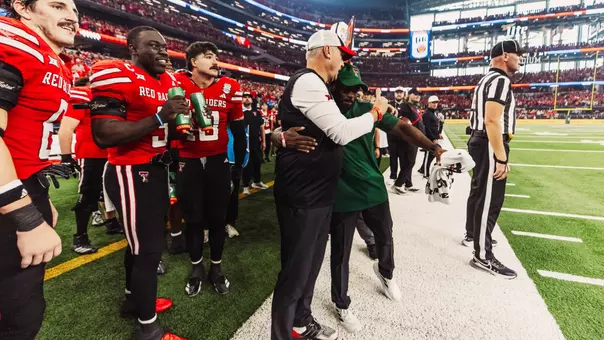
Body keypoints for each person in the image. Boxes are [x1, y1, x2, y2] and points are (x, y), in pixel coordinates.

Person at [274, 64, 444, 333]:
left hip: (372, 186)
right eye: (345, 88)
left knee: (386, 236)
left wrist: (433, 146)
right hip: (339, 194)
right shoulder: (321, 111)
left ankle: (386, 272)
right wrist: (278, 136)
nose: (351, 94)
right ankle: (341, 304)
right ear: (333, 87)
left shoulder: (365, 111)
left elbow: (400, 128)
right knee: (339, 253)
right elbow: (283, 127)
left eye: (356, 89)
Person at [271, 29, 389, 340]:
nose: (342, 64)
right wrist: (376, 113)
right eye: (341, 55)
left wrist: (278, 135)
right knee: (295, 274)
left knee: (308, 268)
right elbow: (340, 132)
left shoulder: (317, 84)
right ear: (326, 51)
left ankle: (300, 321)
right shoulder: (309, 81)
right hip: (303, 193)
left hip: (319, 193)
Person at [90, 26, 187, 340]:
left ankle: (135, 300)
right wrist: (160, 117)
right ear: (132, 47)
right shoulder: (116, 74)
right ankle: (148, 330)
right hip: (130, 171)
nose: (162, 51)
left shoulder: (168, 81)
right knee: (148, 251)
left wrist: (176, 128)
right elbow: (104, 134)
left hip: (155, 170)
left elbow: (165, 128)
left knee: (141, 246)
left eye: (164, 47)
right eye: (153, 46)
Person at [0, 1, 78, 338]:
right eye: (58, 5)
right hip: (8, 198)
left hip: (22, 183)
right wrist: (25, 215)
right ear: (23, 8)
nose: (72, 16)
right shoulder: (13, 41)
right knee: (21, 316)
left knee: (22, 309)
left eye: (75, 9)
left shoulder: (54, 60)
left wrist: (38, 196)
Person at [173, 41, 246, 297]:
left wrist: (238, 164)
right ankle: (196, 268)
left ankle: (216, 266)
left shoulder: (231, 87)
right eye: (208, 56)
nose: (216, 61)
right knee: (192, 220)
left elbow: (239, 130)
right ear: (193, 62)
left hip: (218, 161)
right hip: (188, 161)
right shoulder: (175, 85)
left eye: (217, 56)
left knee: (217, 219)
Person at [463, 40, 524, 280]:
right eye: (517, 55)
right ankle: (483, 255)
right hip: (489, 142)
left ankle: (476, 237)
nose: (520, 59)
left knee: (480, 196)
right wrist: (501, 156)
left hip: (481, 141)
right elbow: (491, 120)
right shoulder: (499, 80)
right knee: (490, 200)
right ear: (505, 55)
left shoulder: (486, 79)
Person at [58, 76, 123, 256]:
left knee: (112, 192)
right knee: (88, 196)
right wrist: (65, 158)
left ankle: (112, 223)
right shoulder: (83, 94)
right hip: (91, 154)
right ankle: (80, 237)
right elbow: (66, 128)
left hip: (111, 153)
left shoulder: (111, 97)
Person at [392, 87, 425, 194]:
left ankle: (408, 183)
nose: (417, 96)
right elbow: (401, 121)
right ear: (409, 95)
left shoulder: (415, 106)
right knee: (409, 162)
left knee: (409, 162)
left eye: (419, 94)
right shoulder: (405, 106)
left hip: (414, 138)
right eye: (415, 94)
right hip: (407, 139)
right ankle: (398, 184)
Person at [242, 92, 268, 195]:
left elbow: (261, 127)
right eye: (245, 97)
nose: (247, 99)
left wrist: (264, 141)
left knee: (257, 162)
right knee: (246, 164)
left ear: (252, 100)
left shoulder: (256, 113)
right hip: (244, 142)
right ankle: (245, 186)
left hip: (256, 142)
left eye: (249, 97)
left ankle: (256, 182)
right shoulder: (239, 112)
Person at [418, 95, 441, 178]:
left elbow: (433, 126)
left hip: (432, 137)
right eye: (433, 102)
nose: (435, 104)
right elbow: (427, 128)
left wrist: (438, 135)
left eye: (436, 102)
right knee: (429, 154)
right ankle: (425, 172)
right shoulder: (427, 114)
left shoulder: (431, 113)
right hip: (429, 138)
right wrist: (434, 138)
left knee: (432, 154)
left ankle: (422, 169)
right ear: (429, 103)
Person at [387, 86, 405, 181]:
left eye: (400, 92)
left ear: (403, 94)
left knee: (403, 157)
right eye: (397, 92)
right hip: (392, 135)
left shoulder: (407, 105)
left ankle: (402, 178)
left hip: (403, 135)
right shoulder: (389, 105)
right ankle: (393, 176)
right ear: (394, 94)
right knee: (393, 157)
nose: (399, 94)